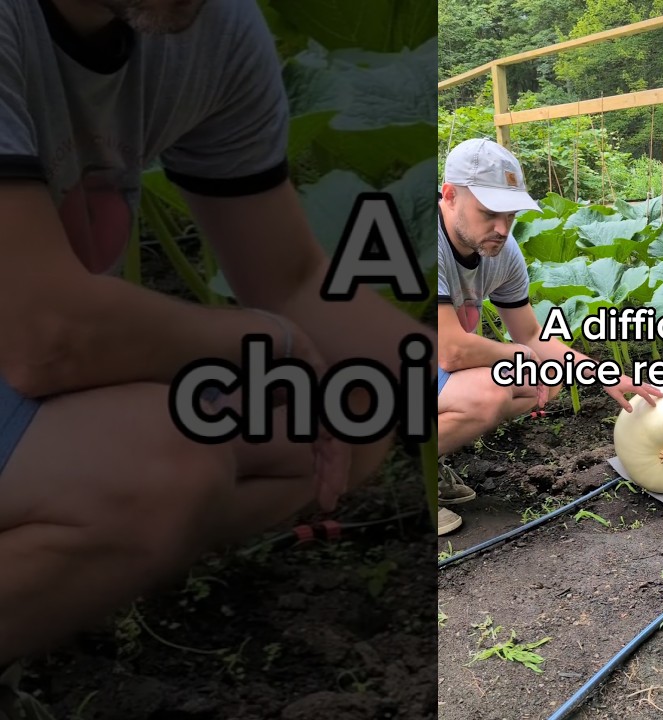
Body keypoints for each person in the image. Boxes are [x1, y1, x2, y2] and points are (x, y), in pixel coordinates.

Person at [0, 0, 433, 715]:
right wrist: (269, 344)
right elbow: (48, 334)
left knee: (328, 423)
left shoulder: (215, 27)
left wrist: (447, 375)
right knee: (164, 466)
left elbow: (290, 277)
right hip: (28, 345)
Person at [436, 138, 663, 535]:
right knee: (490, 391)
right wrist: (522, 358)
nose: (502, 229)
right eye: (489, 213)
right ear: (450, 195)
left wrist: (601, 374)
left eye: (511, 215)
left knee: (540, 379)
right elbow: (453, 352)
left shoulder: (502, 252)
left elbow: (531, 335)